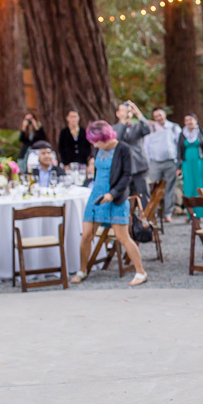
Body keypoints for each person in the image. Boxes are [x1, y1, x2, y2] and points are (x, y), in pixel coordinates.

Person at [70, 121, 147, 286]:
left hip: (116, 197)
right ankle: (82, 270)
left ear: (105, 137)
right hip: (96, 196)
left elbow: (127, 176)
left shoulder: (123, 149)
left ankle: (140, 272)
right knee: (86, 236)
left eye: (97, 141)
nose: (95, 144)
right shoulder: (98, 148)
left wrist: (112, 194)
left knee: (122, 237)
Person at [144, 107, 182, 223]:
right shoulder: (151, 128)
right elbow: (146, 146)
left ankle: (168, 213)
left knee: (170, 187)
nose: (158, 118)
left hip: (170, 162)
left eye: (160, 115)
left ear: (164, 114)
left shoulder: (174, 127)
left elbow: (179, 145)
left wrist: (178, 164)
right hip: (155, 162)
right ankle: (153, 213)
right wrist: (149, 161)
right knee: (154, 188)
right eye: (156, 116)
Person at [113, 101, 152, 207]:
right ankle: (129, 222)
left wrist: (137, 113)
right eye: (123, 111)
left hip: (139, 166)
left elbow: (148, 129)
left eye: (127, 111)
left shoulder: (137, 126)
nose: (126, 113)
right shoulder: (114, 129)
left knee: (144, 196)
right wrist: (123, 122)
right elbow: (117, 139)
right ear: (117, 113)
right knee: (125, 198)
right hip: (124, 169)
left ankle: (145, 221)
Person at [178, 113, 203, 219]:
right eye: (186, 120)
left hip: (200, 163)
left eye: (191, 119)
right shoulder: (182, 134)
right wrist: (178, 167)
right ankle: (191, 214)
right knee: (189, 187)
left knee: (201, 185)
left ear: (195, 120)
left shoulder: (202, 133)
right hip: (187, 164)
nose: (189, 122)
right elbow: (179, 151)